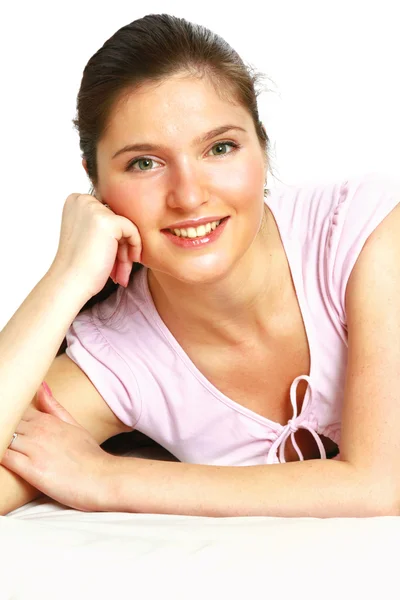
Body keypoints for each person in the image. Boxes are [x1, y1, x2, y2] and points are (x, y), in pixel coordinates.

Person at [1, 14, 399, 519]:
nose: (189, 196)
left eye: (220, 148)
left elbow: (381, 484)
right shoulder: (118, 357)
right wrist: (64, 279)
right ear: (96, 184)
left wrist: (109, 478)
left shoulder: (362, 234)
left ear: (261, 145)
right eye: (144, 162)